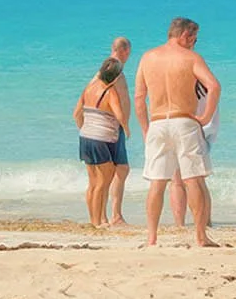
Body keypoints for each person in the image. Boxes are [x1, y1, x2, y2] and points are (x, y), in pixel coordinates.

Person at [135, 17, 221, 248]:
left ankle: (151, 238)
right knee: (193, 180)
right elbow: (214, 86)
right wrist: (205, 118)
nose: (195, 43)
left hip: (158, 122)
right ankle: (201, 237)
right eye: (194, 38)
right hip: (184, 121)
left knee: (157, 182)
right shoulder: (191, 58)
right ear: (184, 35)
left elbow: (139, 99)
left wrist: (145, 129)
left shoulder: (147, 57)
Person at [74, 56, 129, 229]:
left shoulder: (88, 88)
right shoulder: (110, 91)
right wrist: (126, 128)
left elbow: (76, 113)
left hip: (86, 137)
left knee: (92, 182)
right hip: (101, 139)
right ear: (115, 76)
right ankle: (98, 222)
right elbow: (119, 114)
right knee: (103, 182)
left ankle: (93, 220)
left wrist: (85, 128)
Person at [102, 36, 135, 225]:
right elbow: (101, 89)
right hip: (113, 125)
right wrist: (122, 122)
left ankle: (111, 214)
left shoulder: (112, 66)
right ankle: (113, 215)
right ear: (125, 50)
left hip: (114, 125)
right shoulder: (112, 68)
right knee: (119, 170)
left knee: (118, 170)